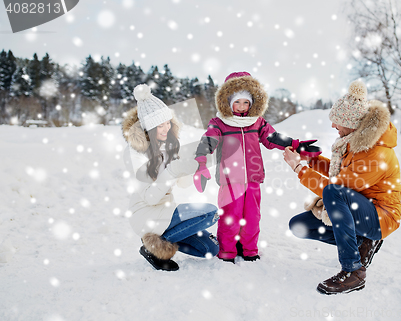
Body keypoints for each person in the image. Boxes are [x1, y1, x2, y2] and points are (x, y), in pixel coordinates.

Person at [285, 80, 401, 294]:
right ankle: (361, 240)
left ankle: (353, 271)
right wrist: (312, 160)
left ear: (351, 122)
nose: (333, 126)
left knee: (332, 192)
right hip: (360, 207)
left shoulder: (377, 153)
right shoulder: (357, 142)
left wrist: (299, 169)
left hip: (380, 216)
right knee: (298, 225)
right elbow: (343, 175)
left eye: (337, 121)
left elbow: (335, 187)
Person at [194, 72, 321, 263]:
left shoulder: (257, 121)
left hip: (253, 178)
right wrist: (201, 162)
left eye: (246, 102)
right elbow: (208, 141)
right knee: (231, 216)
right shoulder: (220, 123)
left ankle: (249, 249)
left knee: (252, 217)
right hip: (230, 180)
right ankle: (227, 250)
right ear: (228, 102)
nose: (242, 107)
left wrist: (297, 145)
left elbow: (273, 138)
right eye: (238, 102)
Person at [122, 84, 219, 271]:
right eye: (160, 125)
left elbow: (181, 183)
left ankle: (170, 236)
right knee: (209, 212)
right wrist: (173, 171)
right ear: (148, 128)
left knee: (210, 249)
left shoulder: (168, 144)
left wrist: (196, 168)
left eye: (167, 122)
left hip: (167, 211)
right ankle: (152, 247)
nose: (166, 128)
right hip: (146, 213)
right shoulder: (135, 154)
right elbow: (150, 197)